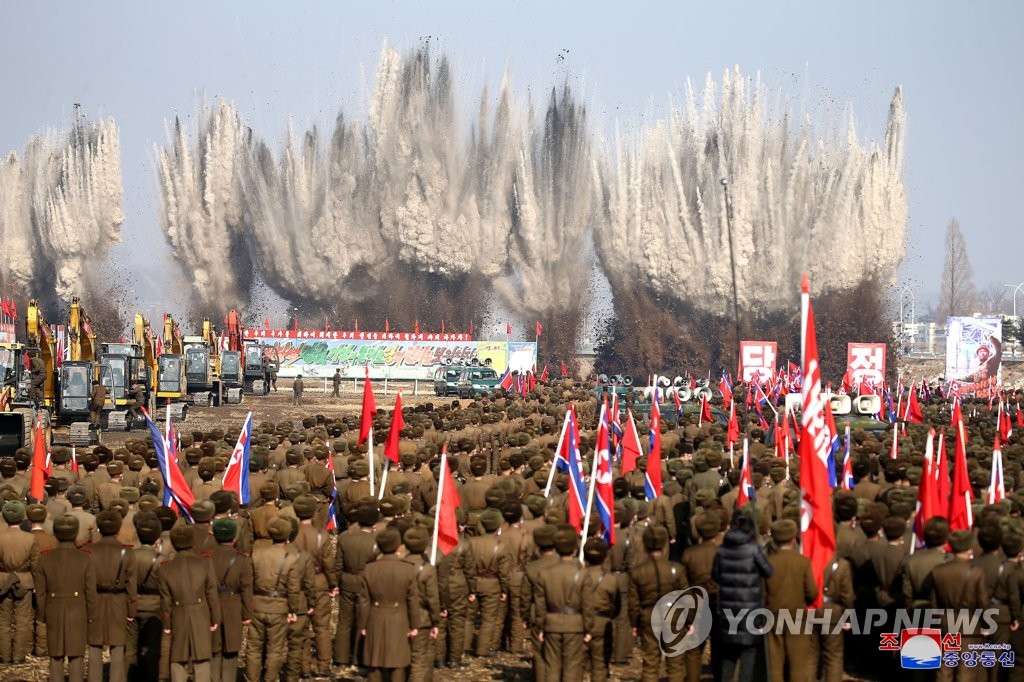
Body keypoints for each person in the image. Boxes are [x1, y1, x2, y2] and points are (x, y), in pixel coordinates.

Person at [34, 514, 97, 682]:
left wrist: (42, 615)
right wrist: (92, 615)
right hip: (78, 610)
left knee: (55, 656)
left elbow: (40, 592)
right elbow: (90, 591)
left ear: (55, 533)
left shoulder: (44, 558)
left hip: (53, 608)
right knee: (76, 655)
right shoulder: (86, 557)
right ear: (76, 534)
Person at [712, 512, 773, 682]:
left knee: (729, 657)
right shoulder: (753, 549)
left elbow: (715, 575)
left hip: (728, 609)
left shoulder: (722, 550)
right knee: (748, 656)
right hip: (750, 609)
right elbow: (769, 571)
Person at [159, 524, 221, 682]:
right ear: (193, 542)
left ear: (173, 543)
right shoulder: (205, 564)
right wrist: (215, 619)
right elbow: (212, 594)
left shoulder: (165, 569)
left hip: (178, 614)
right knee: (202, 659)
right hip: (201, 614)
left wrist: (167, 625)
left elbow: (166, 601)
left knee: (178, 659)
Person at [358, 526, 418, 682]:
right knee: (397, 663)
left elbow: (364, 601)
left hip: (375, 617)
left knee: (374, 661)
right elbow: (412, 600)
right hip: (400, 618)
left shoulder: (369, 569)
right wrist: (415, 625)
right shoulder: (408, 569)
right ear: (399, 546)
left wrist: (362, 625)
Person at [629, 525, 686, 682]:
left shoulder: (637, 572)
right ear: (665, 544)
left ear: (645, 545)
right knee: (675, 664)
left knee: (650, 662)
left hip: (649, 616)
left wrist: (634, 623)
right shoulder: (676, 569)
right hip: (674, 616)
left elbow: (633, 601)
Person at [764, 519, 816, 682]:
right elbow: (812, 592)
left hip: (772, 616)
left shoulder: (766, 563)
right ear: (794, 539)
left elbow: (762, 593)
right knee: (798, 665)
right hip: (797, 616)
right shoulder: (803, 562)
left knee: (775, 665)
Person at [88, 510, 137, 682]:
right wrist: (132, 610)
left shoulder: (89, 552)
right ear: (118, 529)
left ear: (99, 529)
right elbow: (131, 585)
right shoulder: (127, 552)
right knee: (118, 646)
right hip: (119, 601)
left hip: (95, 600)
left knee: (95, 645)